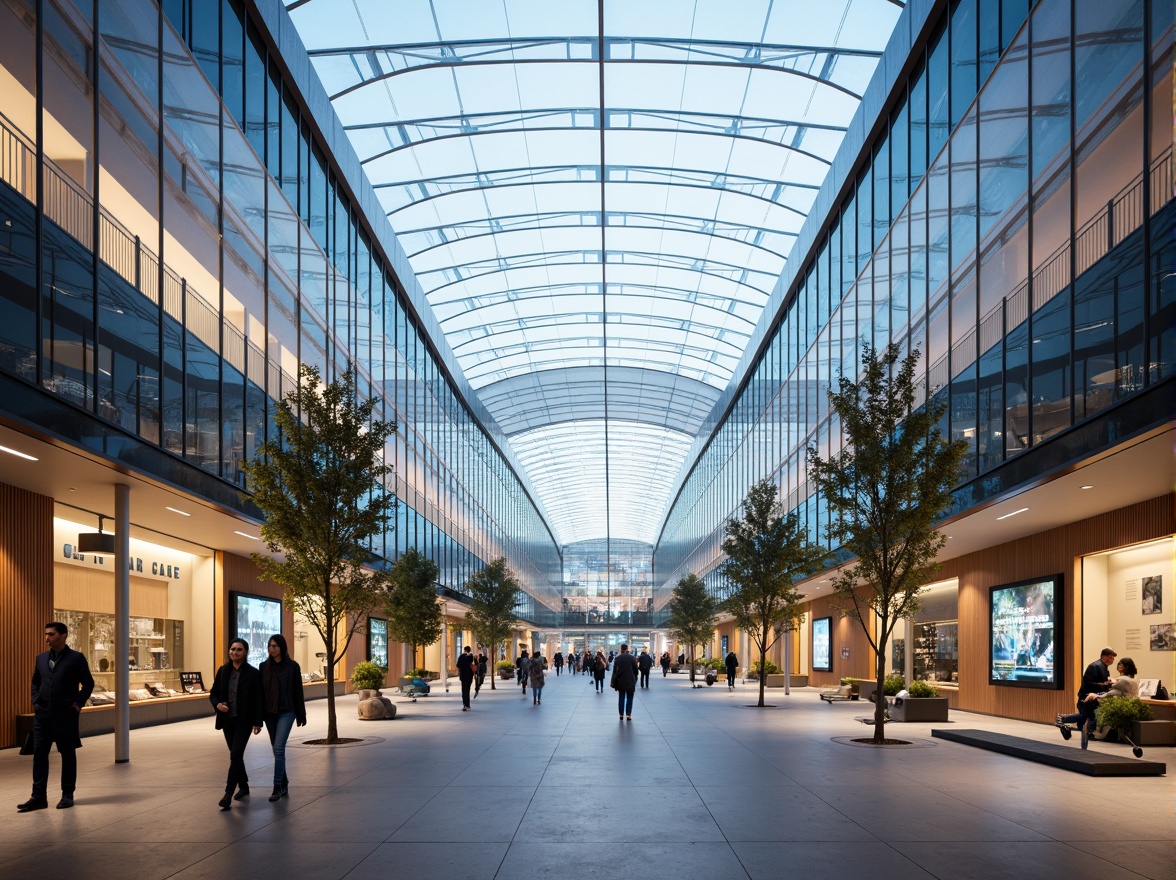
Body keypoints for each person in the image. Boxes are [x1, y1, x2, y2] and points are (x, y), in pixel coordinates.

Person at [18, 622, 94, 812]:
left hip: (65, 714)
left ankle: (67, 794)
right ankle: (38, 797)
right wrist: (36, 701)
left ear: (63, 635)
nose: (47, 638)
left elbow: (88, 684)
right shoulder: (41, 658)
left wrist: (77, 705)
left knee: (67, 754)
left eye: (51, 634)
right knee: (40, 755)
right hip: (43, 715)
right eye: (46, 634)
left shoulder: (76, 658)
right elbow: (35, 682)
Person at [209, 638, 263, 810]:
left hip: (244, 720)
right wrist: (217, 704)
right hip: (227, 720)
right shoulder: (223, 671)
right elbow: (213, 693)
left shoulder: (253, 673)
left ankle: (227, 794)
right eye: (232, 649)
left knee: (235, 754)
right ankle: (244, 786)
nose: (234, 652)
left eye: (239, 649)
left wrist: (257, 721)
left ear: (245, 652)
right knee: (236, 754)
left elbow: (258, 699)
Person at [257, 634, 306, 802]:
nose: (271, 649)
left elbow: (297, 691)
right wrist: (257, 718)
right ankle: (284, 783)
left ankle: (277, 786)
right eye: (269, 646)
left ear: (282, 647)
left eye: (275, 646)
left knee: (278, 748)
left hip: (287, 711)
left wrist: (301, 714)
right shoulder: (263, 667)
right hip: (269, 713)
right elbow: (261, 694)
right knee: (276, 749)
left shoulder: (292, 667)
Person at [1058, 656, 1138, 740]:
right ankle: (1070, 723)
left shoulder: (1123, 680)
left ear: (1126, 667)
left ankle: (1066, 721)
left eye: (1120, 664)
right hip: (1120, 705)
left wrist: (1097, 696)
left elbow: (1112, 693)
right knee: (1089, 708)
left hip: (1117, 707)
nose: (1118, 666)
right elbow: (1114, 692)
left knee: (1089, 707)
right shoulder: (1131, 679)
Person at [1060, 647, 1117, 738]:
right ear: (1105, 657)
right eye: (1111, 657)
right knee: (1089, 715)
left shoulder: (1104, 668)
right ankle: (1064, 720)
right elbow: (1087, 683)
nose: (1113, 660)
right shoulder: (1095, 666)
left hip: (1095, 696)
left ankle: (1066, 721)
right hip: (1087, 696)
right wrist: (1105, 685)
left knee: (1087, 716)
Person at [611, 643, 639, 720]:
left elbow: (614, 671)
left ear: (621, 649)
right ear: (627, 649)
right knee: (630, 697)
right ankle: (628, 714)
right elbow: (636, 671)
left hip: (620, 680)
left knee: (621, 697)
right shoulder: (632, 658)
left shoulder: (617, 658)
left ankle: (620, 715)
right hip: (630, 680)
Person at [456, 645, 476, 711]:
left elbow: (458, 665)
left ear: (464, 650)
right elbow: (475, 665)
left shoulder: (461, 657)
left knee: (464, 691)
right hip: (470, 676)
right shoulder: (471, 657)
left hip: (463, 676)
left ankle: (465, 705)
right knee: (468, 690)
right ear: (469, 650)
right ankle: (468, 705)